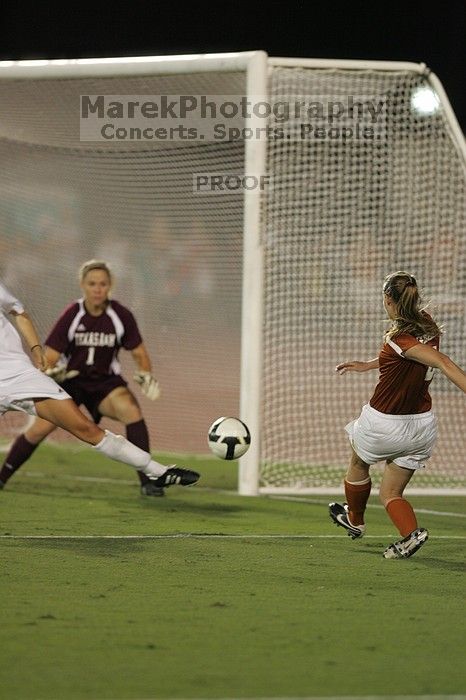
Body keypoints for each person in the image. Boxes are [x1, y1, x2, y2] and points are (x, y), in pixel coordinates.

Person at [0, 274, 200, 495]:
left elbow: (18, 311)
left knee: (92, 427)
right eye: (92, 284)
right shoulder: (74, 314)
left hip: (31, 377)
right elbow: (54, 356)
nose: (97, 289)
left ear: (110, 287)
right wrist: (53, 367)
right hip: (72, 382)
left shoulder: (120, 315)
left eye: (102, 284)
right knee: (39, 431)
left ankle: (157, 474)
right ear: (83, 286)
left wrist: (37, 351)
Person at [329, 271, 466, 559]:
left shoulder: (398, 338)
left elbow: (441, 362)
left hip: (384, 424)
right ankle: (411, 534)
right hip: (422, 428)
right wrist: (369, 365)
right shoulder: (427, 323)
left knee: (358, 461)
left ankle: (355, 520)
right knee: (391, 493)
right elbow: (411, 357)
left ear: (388, 300)